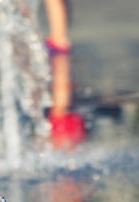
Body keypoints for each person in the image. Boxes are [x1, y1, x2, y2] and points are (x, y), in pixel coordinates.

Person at [44, 0, 85, 148]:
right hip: (67, 132)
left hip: (63, 126)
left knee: (60, 110)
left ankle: (60, 37)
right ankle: (60, 34)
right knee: (60, 109)